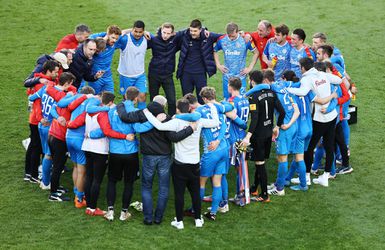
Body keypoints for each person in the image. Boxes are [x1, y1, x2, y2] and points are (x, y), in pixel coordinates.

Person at [116, 95, 195, 225]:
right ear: (163, 106)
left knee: (146, 186)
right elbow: (173, 137)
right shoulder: (166, 118)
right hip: (164, 157)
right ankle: (158, 217)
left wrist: (120, 104)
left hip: (148, 156)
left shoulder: (142, 114)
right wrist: (190, 129)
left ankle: (148, 217)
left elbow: (124, 117)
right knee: (163, 187)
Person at [143, 98, 220, 229]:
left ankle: (179, 221)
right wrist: (212, 106)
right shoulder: (198, 121)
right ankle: (198, 219)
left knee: (179, 194)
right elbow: (216, 122)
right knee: (195, 193)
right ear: (190, 109)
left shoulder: (176, 122)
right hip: (195, 163)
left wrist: (147, 113)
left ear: (178, 109)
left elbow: (159, 125)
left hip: (180, 164)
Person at [286, 57, 342, 187]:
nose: (299, 69)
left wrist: (286, 89)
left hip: (319, 118)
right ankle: (326, 176)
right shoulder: (323, 74)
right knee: (329, 146)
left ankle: (306, 177)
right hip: (331, 116)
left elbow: (303, 92)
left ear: (303, 67)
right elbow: (339, 80)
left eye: (300, 67)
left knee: (309, 147)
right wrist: (332, 93)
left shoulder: (307, 79)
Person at [242, 70, 285, 202]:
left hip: (258, 135)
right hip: (268, 133)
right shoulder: (272, 93)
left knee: (260, 163)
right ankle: (255, 187)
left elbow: (254, 119)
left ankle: (265, 195)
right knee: (259, 160)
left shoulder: (253, 96)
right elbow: (282, 112)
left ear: (252, 81)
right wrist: (277, 126)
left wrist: (248, 136)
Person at [54, 86, 96, 207]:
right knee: (82, 170)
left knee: (76, 167)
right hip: (80, 139)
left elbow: (62, 104)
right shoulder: (91, 101)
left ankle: (76, 192)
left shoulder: (74, 99)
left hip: (69, 137)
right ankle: (79, 199)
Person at [260, 70, 300, 196]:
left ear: (266, 81)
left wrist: (281, 126)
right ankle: (279, 182)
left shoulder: (273, 92)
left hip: (284, 129)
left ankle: (279, 188)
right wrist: (290, 124)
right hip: (293, 127)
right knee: (283, 156)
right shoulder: (284, 88)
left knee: (282, 158)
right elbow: (297, 111)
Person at [46, 72, 83, 201]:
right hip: (59, 138)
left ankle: (55, 188)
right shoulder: (68, 100)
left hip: (52, 134)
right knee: (58, 166)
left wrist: (57, 117)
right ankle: (53, 194)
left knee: (57, 165)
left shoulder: (63, 98)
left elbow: (52, 109)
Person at [24, 61, 60, 184]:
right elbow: (38, 104)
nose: (57, 74)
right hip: (37, 120)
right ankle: (33, 174)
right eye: (55, 72)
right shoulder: (42, 84)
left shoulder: (39, 79)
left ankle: (29, 173)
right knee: (36, 147)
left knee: (34, 146)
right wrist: (41, 119)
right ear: (48, 71)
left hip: (35, 118)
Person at [176, 19, 222, 104]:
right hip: (186, 74)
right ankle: (188, 116)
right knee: (186, 99)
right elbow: (172, 34)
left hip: (200, 74)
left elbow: (224, 36)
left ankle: (201, 116)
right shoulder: (184, 35)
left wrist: (243, 33)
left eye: (195, 31)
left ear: (200, 30)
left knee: (202, 98)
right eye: (191, 30)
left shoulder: (208, 36)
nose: (192, 33)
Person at [147, 23, 184, 115]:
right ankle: (154, 118)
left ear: (172, 33)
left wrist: (203, 29)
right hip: (154, 74)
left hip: (167, 75)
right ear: (161, 30)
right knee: (153, 99)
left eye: (168, 33)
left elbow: (186, 32)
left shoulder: (175, 41)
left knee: (171, 100)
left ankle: (171, 119)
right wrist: (144, 32)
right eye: (164, 32)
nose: (165, 35)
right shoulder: (154, 40)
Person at [214, 22, 258, 98]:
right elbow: (214, 50)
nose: (231, 38)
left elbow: (256, 53)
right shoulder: (222, 40)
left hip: (240, 77)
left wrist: (249, 68)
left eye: (233, 36)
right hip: (227, 77)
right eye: (229, 36)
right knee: (228, 102)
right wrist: (218, 65)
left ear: (238, 32)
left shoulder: (245, 40)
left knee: (240, 100)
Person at [224, 77, 249, 206]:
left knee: (224, 167)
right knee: (241, 167)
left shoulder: (231, 102)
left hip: (232, 139)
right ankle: (241, 196)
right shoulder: (245, 100)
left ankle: (223, 198)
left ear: (230, 87)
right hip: (242, 138)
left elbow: (232, 117)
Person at [117, 20, 148, 109]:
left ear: (143, 31)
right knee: (128, 99)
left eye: (140, 32)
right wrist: (125, 31)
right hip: (126, 75)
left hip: (140, 74)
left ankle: (141, 117)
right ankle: (127, 117)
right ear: (132, 30)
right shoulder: (125, 39)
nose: (138, 34)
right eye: (135, 31)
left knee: (142, 97)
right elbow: (112, 41)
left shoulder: (147, 38)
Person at [85, 25, 125, 94]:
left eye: (116, 39)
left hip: (108, 77)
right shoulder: (98, 40)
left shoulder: (115, 41)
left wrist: (143, 32)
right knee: (95, 99)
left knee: (109, 98)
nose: (114, 40)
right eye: (112, 38)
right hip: (95, 77)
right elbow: (87, 41)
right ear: (108, 34)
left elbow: (124, 32)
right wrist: (103, 40)